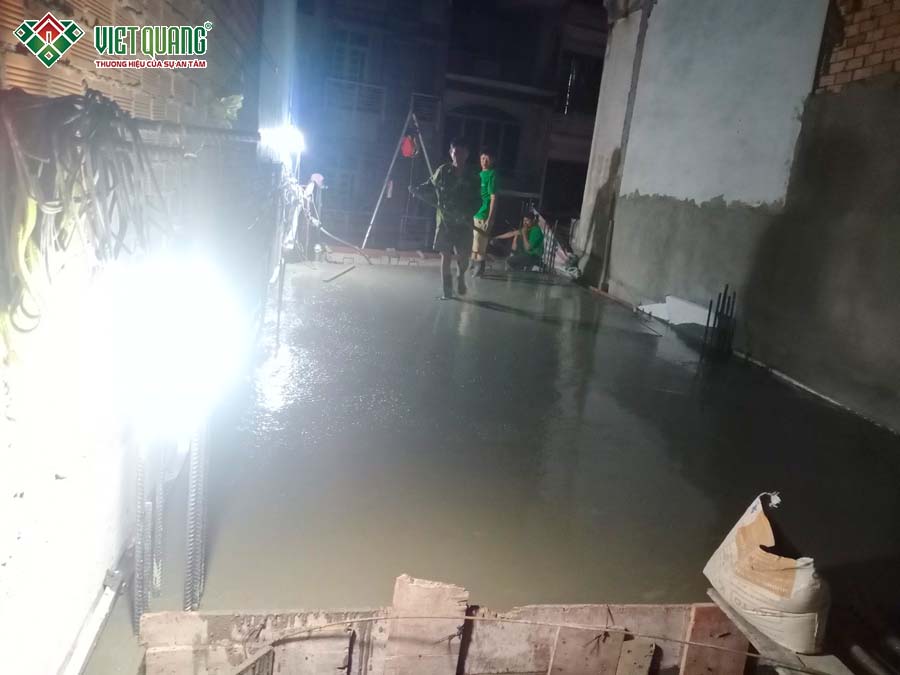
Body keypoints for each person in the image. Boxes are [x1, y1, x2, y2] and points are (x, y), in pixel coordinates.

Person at [411, 137, 481, 299]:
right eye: (455, 153)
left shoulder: (473, 177)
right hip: (445, 221)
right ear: (451, 153)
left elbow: (478, 200)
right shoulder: (443, 171)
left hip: (464, 223)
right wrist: (417, 190)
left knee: (463, 256)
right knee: (445, 255)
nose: (458, 157)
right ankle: (447, 290)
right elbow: (430, 184)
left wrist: (467, 213)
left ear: (467, 154)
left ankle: (461, 275)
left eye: (461, 153)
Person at [471, 148, 498, 277]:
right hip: (475, 213)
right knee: (474, 240)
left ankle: (480, 267)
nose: (484, 161)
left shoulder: (492, 174)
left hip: (484, 214)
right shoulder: (479, 175)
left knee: (480, 241)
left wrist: (490, 218)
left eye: (487, 158)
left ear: (492, 160)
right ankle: (473, 263)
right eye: (482, 158)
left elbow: (493, 198)